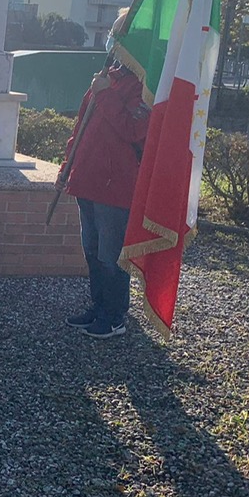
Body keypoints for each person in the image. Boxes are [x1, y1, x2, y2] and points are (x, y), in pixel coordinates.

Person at [58, 30, 151, 340]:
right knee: (92, 250)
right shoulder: (106, 76)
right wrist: (66, 166)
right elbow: (81, 127)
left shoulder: (145, 88)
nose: (113, 40)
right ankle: (98, 306)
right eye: (114, 34)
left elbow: (135, 129)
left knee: (111, 255)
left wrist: (107, 94)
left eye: (119, 34)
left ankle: (114, 315)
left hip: (116, 186)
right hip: (86, 179)